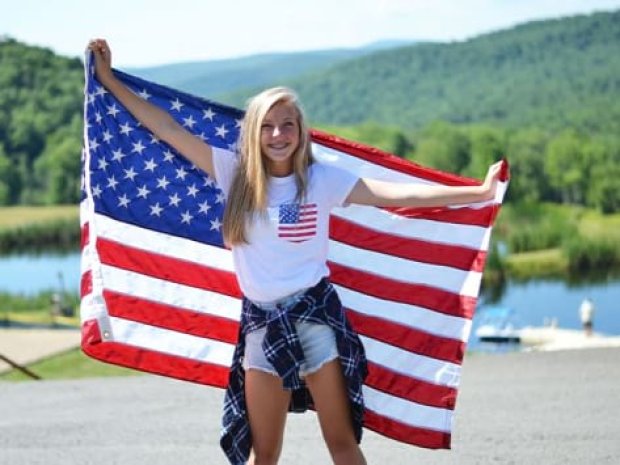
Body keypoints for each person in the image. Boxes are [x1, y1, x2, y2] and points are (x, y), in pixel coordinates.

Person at [87, 38, 504, 465]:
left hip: (316, 319)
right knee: (264, 453)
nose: (278, 135)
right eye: (267, 126)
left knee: (341, 444)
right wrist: (108, 80)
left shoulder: (320, 180)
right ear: (254, 132)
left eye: (287, 125)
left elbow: (396, 195)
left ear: (300, 131)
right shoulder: (234, 174)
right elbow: (169, 129)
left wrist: (477, 191)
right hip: (262, 325)